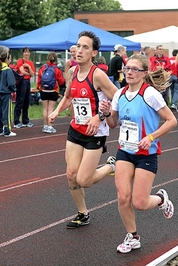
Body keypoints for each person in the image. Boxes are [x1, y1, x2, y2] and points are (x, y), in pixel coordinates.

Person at [99, 54, 177, 253]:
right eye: (127, 69)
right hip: (125, 151)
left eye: (135, 69)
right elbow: (113, 124)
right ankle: (133, 237)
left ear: (144, 73)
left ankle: (160, 198)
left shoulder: (150, 94)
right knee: (123, 197)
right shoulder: (119, 94)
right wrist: (107, 113)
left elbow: (171, 121)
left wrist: (151, 137)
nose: (130, 72)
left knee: (140, 203)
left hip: (146, 154)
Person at [48, 30, 117, 228]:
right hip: (75, 129)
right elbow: (69, 96)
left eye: (85, 47)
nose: (79, 51)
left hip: (95, 132)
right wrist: (56, 111)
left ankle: (111, 165)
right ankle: (83, 213)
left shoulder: (99, 75)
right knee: (71, 175)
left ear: (94, 53)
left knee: (84, 180)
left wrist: (100, 116)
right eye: (78, 46)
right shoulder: (72, 71)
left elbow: (118, 100)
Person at [37, 52, 65, 134]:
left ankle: (45, 126)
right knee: (51, 109)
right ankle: (50, 126)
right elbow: (61, 81)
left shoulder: (42, 68)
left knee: (45, 109)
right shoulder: (57, 69)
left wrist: (39, 88)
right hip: (53, 90)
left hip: (43, 90)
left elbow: (39, 79)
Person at [0, 51, 17, 137]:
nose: (10, 60)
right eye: (10, 58)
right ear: (7, 59)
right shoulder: (8, 70)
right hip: (6, 94)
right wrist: (14, 89)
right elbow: (11, 83)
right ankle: (7, 130)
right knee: (7, 112)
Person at [14, 47, 35, 128]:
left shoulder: (30, 63)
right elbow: (22, 71)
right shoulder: (20, 61)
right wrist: (28, 72)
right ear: (23, 53)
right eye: (25, 52)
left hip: (27, 82)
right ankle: (16, 121)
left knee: (26, 101)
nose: (27, 53)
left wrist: (28, 68)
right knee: (20, 100)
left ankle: (25, 120)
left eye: (28, 52)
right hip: (21, 82)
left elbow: (32, 74)